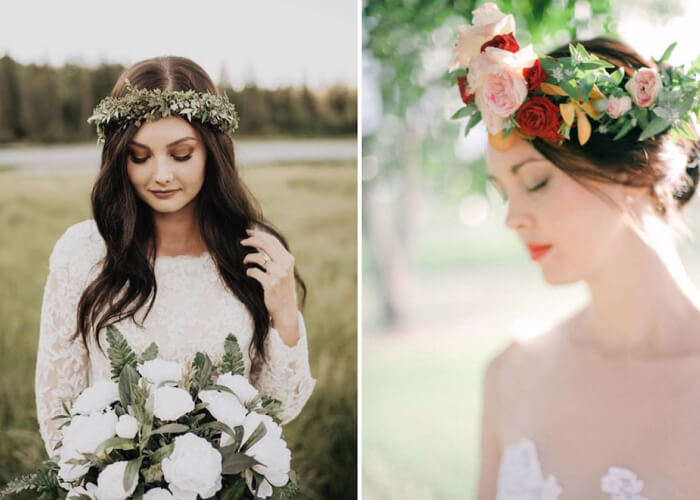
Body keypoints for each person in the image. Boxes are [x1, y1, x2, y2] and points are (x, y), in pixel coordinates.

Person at [448, 5, 700, 499]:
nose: (512, 219)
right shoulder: (510, 375)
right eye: (504, 193)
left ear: (630, 172)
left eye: (536, 182)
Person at [34, 56, 316, 458]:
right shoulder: (81, 252)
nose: (161, 174)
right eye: (139, 156)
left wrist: (284, 312)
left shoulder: (254, 251)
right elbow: (57, 412)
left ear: (211, 152)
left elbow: (280, 408)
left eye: (181, 155)